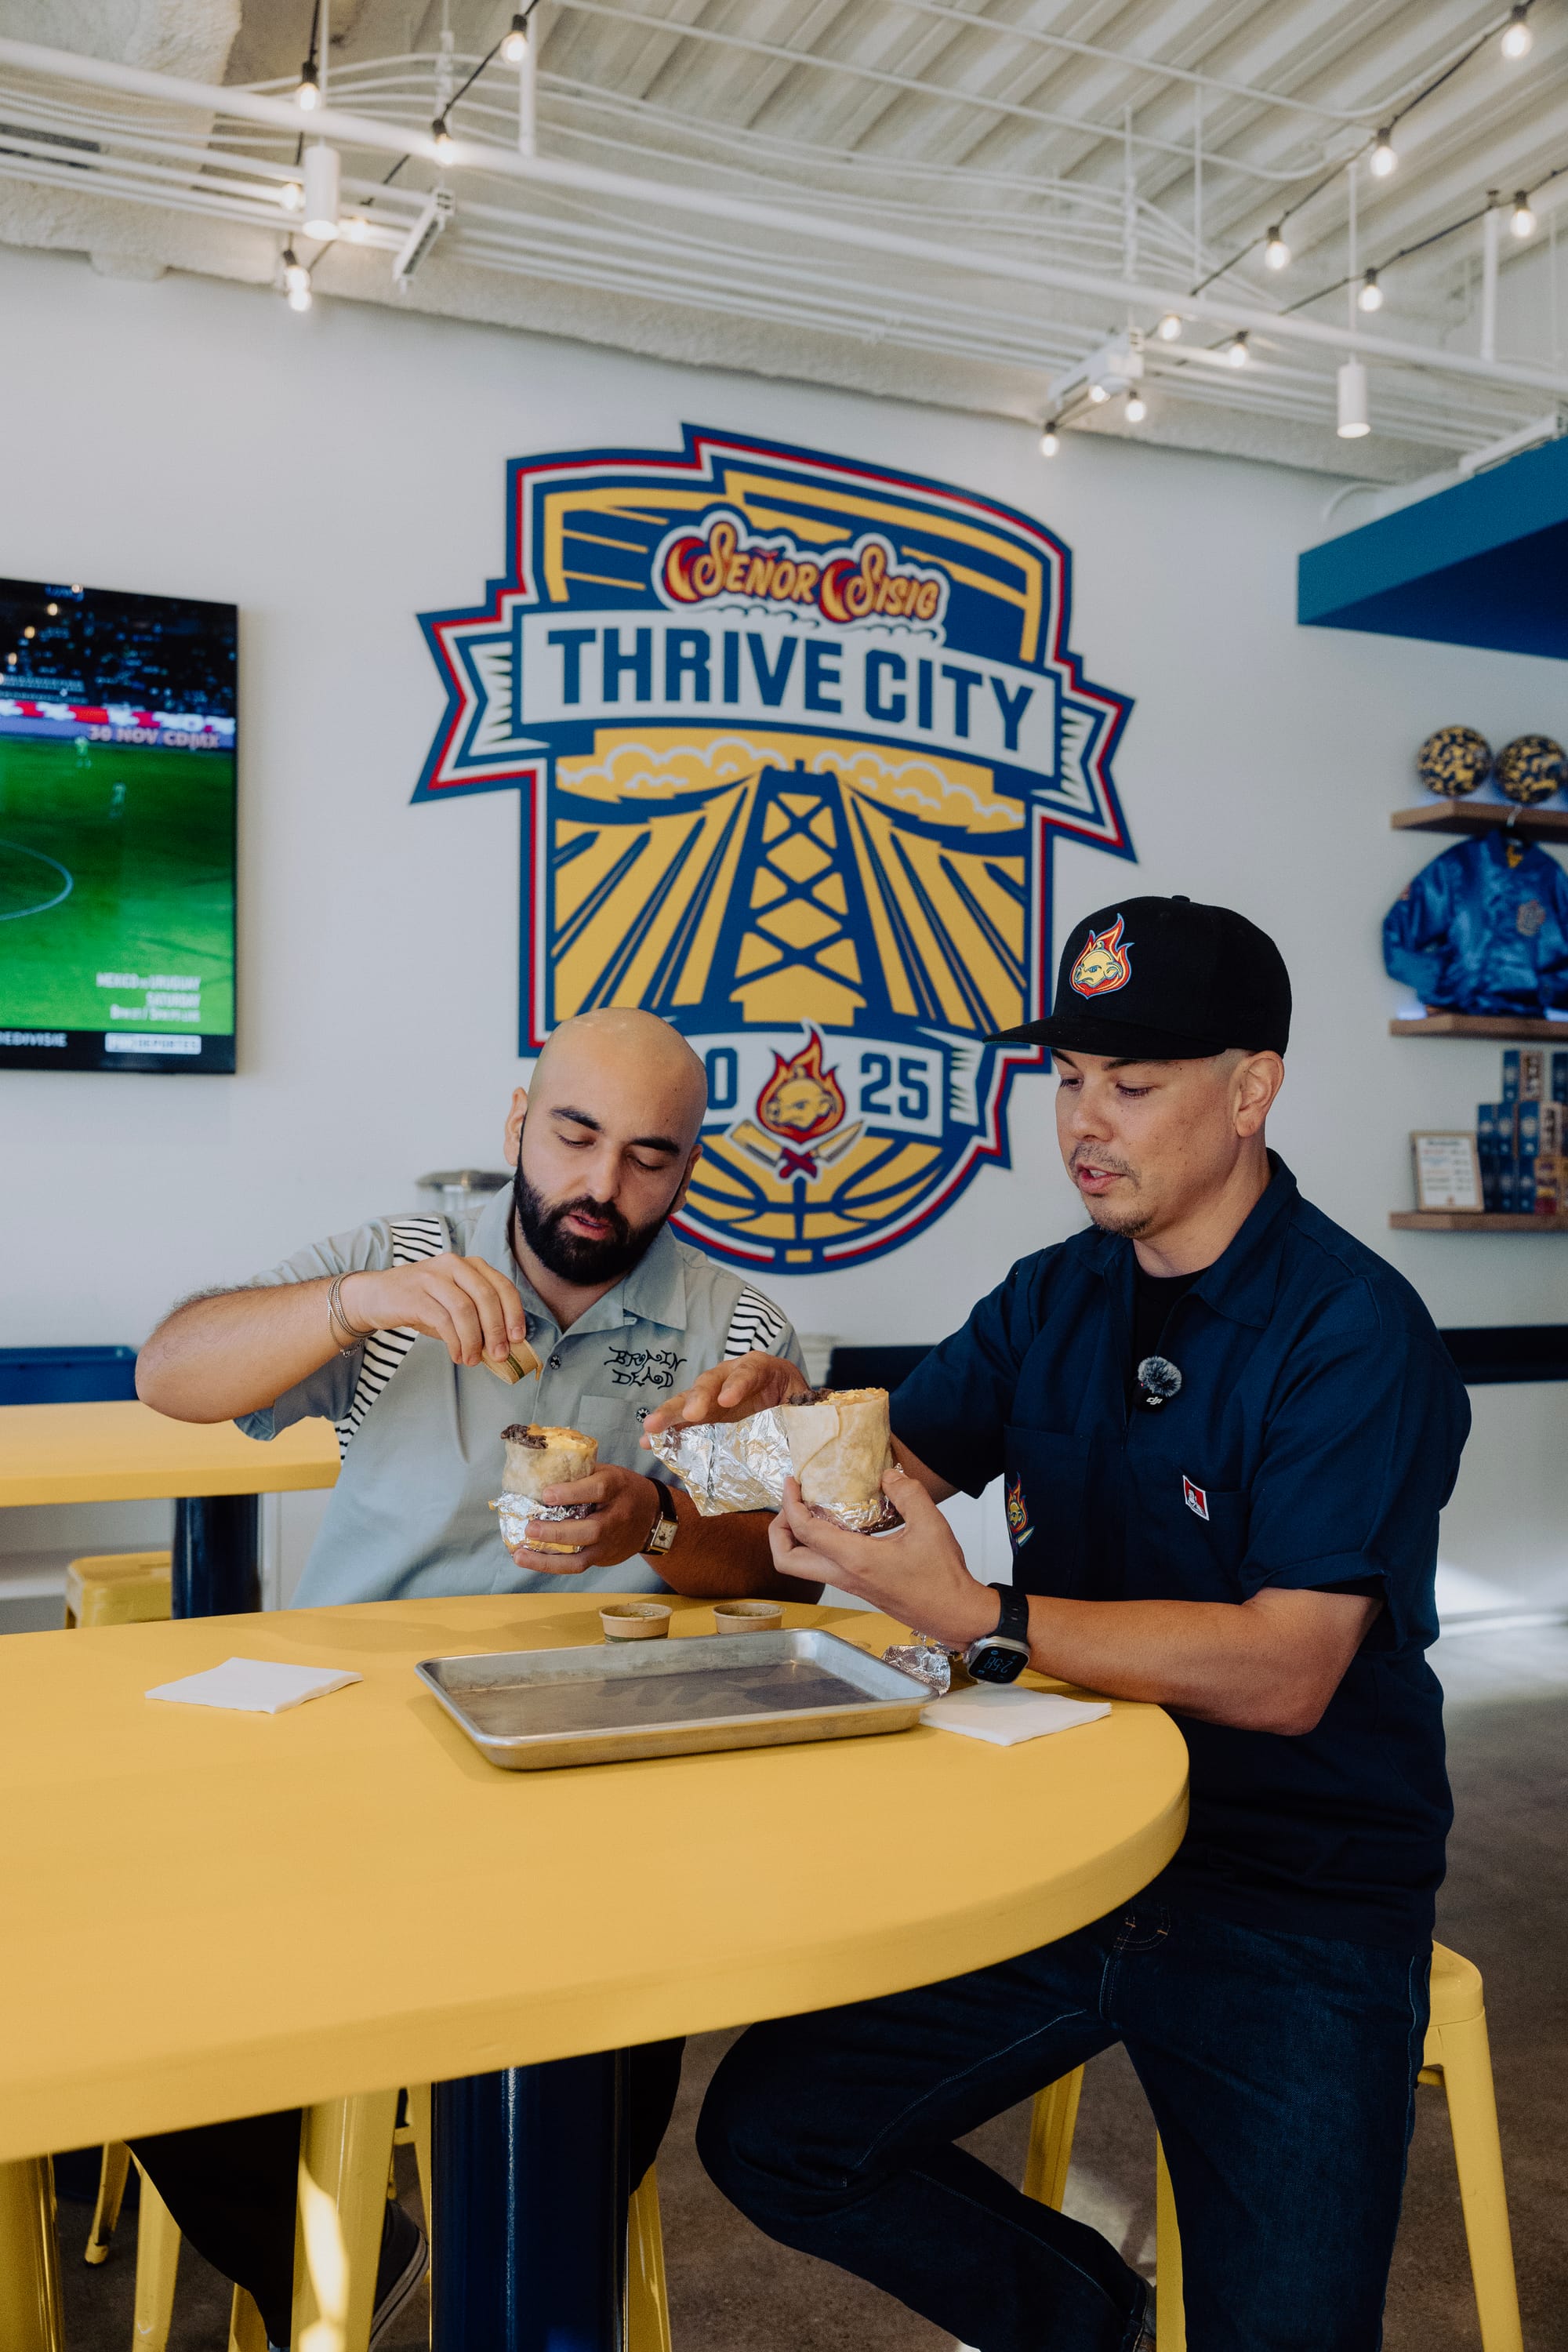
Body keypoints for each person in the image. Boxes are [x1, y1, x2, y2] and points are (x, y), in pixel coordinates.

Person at [652, 898, 1471, 2352]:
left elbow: (1288, 1672)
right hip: (1067, 1854)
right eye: (1068, 1077)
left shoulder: (1356, 1332)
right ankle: (1089, 2325)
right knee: (780, 2136)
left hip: (1291, 1896)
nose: (1086, 1122)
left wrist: (987, 1618)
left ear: (1252, 1087)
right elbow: (869, 1488)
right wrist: (722, 1475)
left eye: (1134, 1086)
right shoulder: (1053, 1295)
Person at [132, 1007, 810, 2349]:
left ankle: (534, 2273)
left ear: (690, 1169)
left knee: (585, 2105)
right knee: (151, 1996)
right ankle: (366, 2268)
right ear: (516, 1125)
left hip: (596, 1767)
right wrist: (354, 1305)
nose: (603, 1188)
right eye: (573, 1137)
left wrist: (658, 1524)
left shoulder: (733, 1322)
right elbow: (171, 1374)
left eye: (650, 1158)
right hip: (343, 1746)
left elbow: (776, 1577)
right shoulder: (397, 1266)